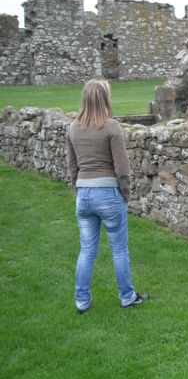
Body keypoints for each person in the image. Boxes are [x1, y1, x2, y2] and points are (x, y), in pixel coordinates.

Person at [66, 79, 148, 314]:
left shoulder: (73, 128)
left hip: (84, 194)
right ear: (105, 99)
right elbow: (122, 169)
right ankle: (127, 296)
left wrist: (78, 189)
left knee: (86, 249)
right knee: (119, 249)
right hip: (108, 193)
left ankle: (81, 301)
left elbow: (72, 166)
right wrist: (125, 193)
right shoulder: (111, 127)